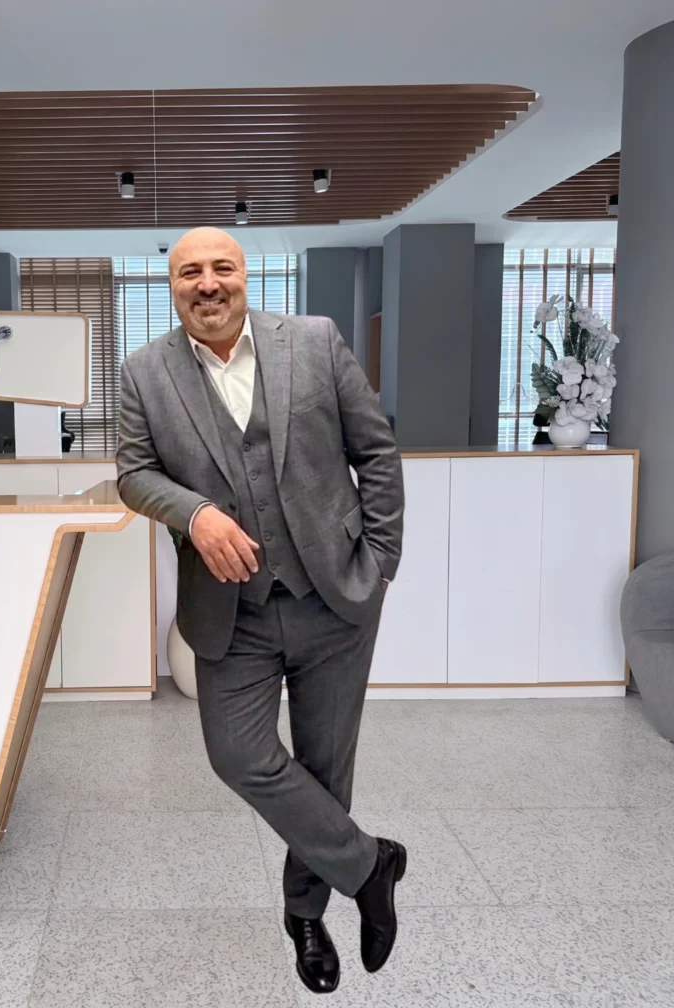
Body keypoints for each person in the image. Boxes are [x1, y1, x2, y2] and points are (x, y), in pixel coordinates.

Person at [116, 227, 406, 994]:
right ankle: (368, 865)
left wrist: (380, 563)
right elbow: (134, 473)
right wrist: (194, 514)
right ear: (172, 287)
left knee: (325, 767)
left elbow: (376, 452)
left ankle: (305, 916)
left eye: (222, 267)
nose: (207, 283)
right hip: (230, 613)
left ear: (246, 275)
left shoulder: (314, 342)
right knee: (239, 755)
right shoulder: (144, 371)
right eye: (189, 273)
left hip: (334, 597)